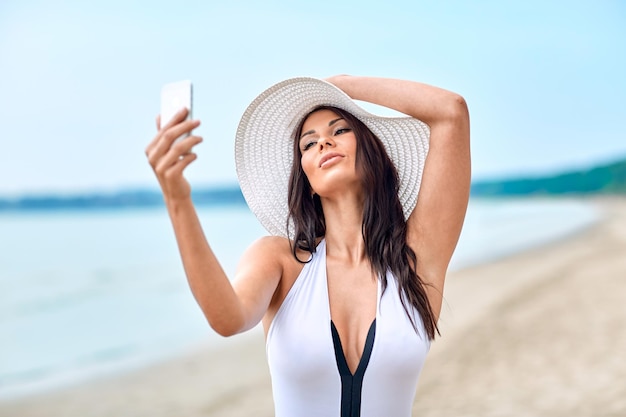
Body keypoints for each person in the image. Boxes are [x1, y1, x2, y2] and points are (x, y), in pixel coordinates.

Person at [145, 75, 470, 417]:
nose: (324, 143)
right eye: (308, 144)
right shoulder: (280, 260)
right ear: (308, 182)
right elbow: (227, 319)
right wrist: (178, 199)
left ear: (372, 152)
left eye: (340, 130)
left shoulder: (415, 258)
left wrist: (339, 85)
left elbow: (452, 112)